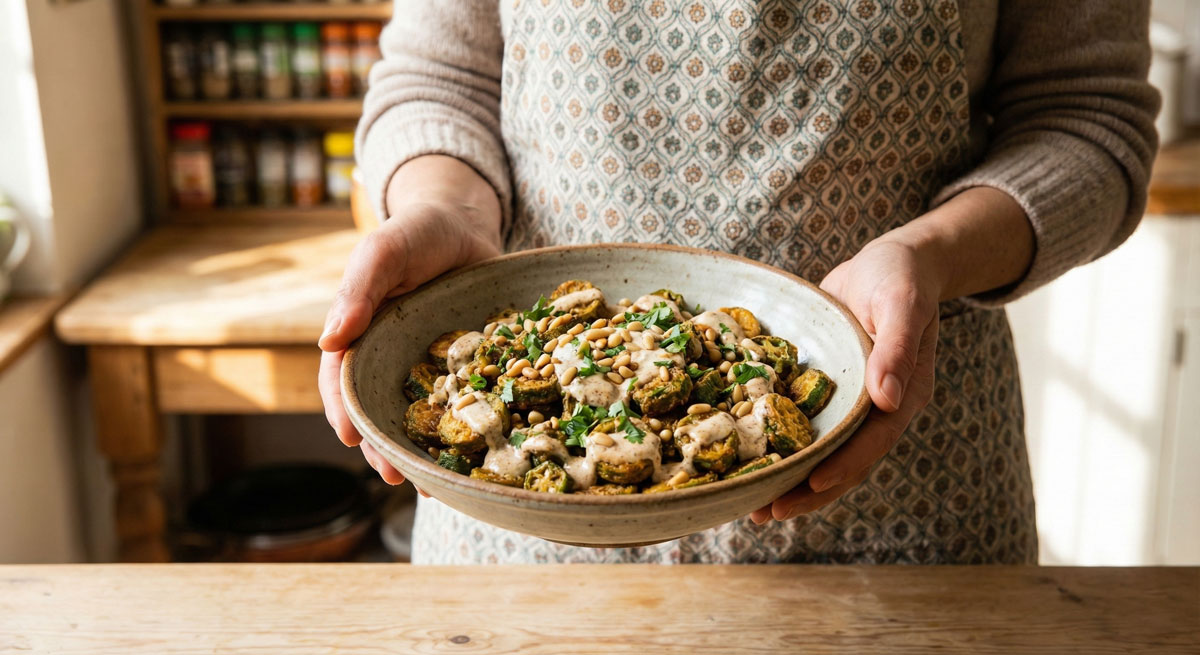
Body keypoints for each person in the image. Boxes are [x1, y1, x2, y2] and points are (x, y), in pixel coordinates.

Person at [318, 0, 1158, 564]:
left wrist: (932, 256)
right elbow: (439, 78)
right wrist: (447, 208)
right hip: (521, 507)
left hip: (900, 492)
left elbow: (1088, 117)